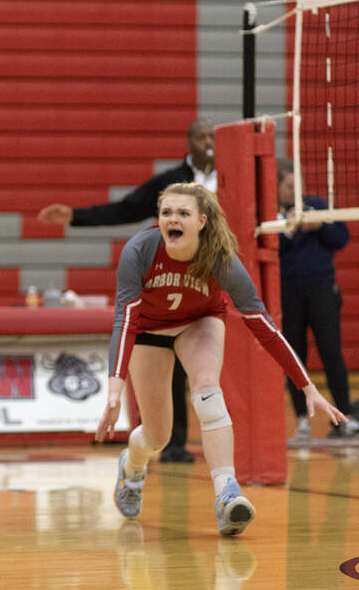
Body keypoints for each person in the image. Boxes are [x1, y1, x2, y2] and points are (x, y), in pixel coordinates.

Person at [95, 183, 344, 536]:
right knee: (157, 436)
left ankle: (227, 495)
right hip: (149, 331)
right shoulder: (140, 250)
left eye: (182, 213)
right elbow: (125, 322)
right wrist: (114, 391)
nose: (172, 219)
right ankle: (132, 466)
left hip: (199, 323)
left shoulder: (220, 259)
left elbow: (265, 327)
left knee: (208, 391)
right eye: (166, 212)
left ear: (201, 221)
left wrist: (307, 386)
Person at [39, 118, 217, 464]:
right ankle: (173, 443)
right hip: (176, 279)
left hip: (217, 277)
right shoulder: (171, 182)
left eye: (212, 136)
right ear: (188, 141)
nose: (208, 142)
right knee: (173, 364)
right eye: (200, 136)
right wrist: (75, 215)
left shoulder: (236, 176)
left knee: (211, 367)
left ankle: (222, 445)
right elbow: (127, 208)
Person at [275, 160, 359, 439]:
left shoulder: (317, 205)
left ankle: (344, 419)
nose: (294, 190)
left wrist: (318, 224)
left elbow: (341, 237)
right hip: (288, 293)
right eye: (288, 186)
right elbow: (272, 249)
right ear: (277, 187)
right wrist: (290, 228)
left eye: (297, 184)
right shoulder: (272, 213)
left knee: (332, 353)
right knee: (294, 357)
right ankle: (301, 420)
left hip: (322, 290)